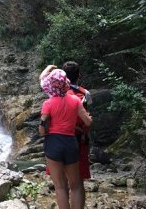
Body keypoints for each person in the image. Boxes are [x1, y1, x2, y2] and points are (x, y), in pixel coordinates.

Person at [39, 68, 92, 209]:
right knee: (75, 185)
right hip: (71, 143)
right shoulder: (75, 100)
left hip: (54, 144)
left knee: (60, 186)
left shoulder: (48, 103)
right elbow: (88, 122)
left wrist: (46, 127)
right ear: (66, 83)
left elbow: (42, 130)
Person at [63, 61, 92, 208]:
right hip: (79, 140)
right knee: (78, 182)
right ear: (79, 75)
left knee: (61, 184)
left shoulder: (58, 93)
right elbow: (87, 119)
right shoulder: (84, 93)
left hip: (60, 138)